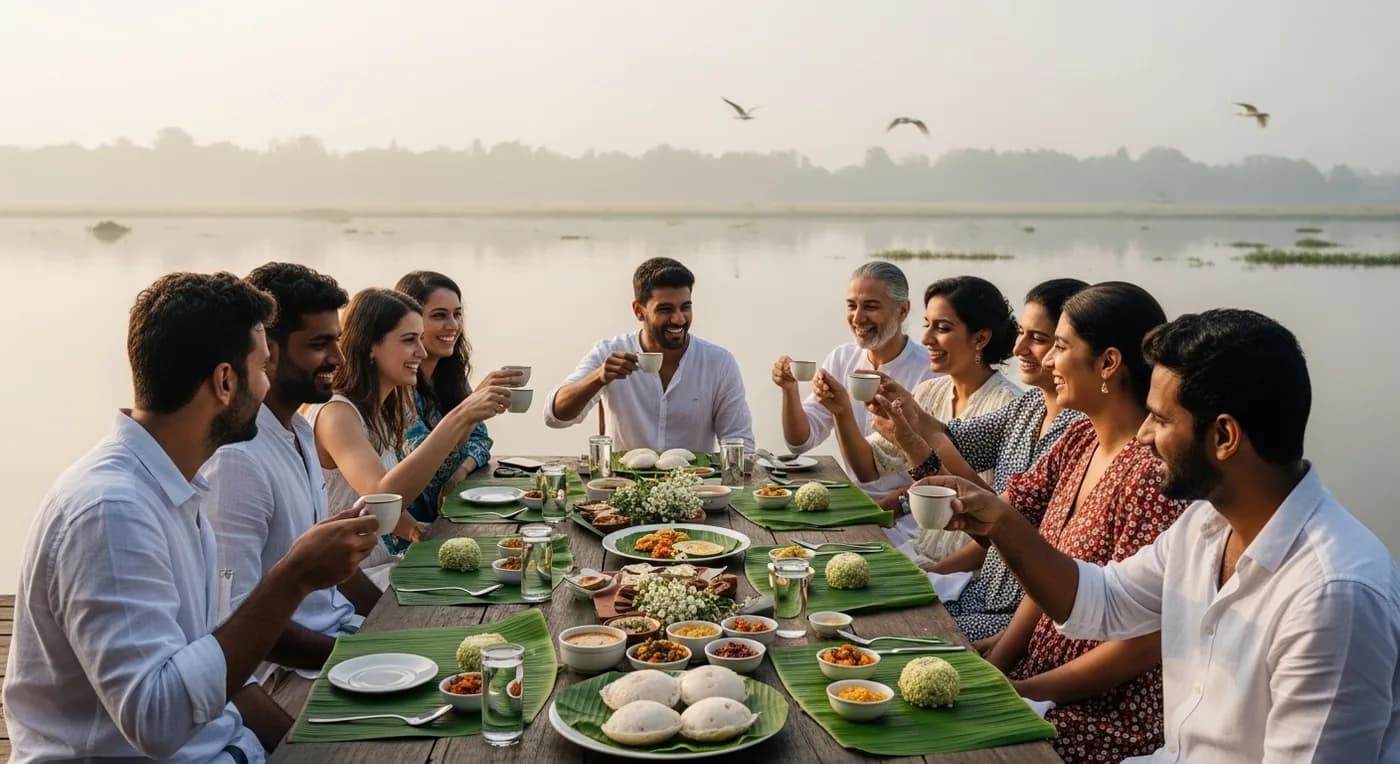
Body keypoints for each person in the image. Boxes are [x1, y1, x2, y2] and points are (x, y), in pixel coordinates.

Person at [928, 308, 1400, 762]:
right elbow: (1100, 600)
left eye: (1161, 419)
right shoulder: (1205, 526)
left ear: (1224, 437)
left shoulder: (1334, 595)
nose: (1143, 436)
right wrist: (1001, 522)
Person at [3, 272, 379, 763]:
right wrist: (292, 578)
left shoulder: (176, 484)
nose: (265, 385)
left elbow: (215, 666)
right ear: (225, 381)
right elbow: (157, 721)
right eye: (260, 368)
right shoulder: (111, 512)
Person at [897, 282, 1184, 762]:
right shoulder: (1079, 444)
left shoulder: (1148, 477)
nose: (1047, 361)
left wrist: (1024, 689)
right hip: (1037, 664)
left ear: (1109, 364)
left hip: (1096, 707)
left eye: (1060, 346)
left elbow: (1141, 644)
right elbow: (1029, 549)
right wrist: (1002, 658)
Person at [867, 278, 1087, 638]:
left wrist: (909, 438)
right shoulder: (1029, 406)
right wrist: (907, 412)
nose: (1019, 348)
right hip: (984, 588)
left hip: (1022, 607)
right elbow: (950, 437)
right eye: (1020, 334)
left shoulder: (1076, 428)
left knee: (895, 629)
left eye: (1041, 339)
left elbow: (998, 517)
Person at [201, 263, 380, 682]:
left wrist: (391, 627)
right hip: (291, 674)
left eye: (336, 342)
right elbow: (234, 620)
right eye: (319, 345)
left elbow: (337, 573)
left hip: (339, 640)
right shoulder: (235, 460)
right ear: (268, 350)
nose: (337, 358)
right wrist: (352, 657)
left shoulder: (299, 428)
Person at [305, 288, 510, 587]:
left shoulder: (385, 410)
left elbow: (374, 507)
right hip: (349, 584)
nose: (422, 352)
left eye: (419, 337)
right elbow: (380, 497)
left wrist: (418, 533)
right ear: (370, 346)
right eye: (409, 340)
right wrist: (460, 416)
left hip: (382, 563)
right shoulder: (336, 414)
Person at [816, 275, 1020, 562]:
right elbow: (866, 468)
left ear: (980, 338)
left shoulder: (1009, 405)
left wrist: (937, 574)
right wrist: (841, 411)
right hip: (922, 550)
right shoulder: (929, 392)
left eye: (943, 328)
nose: (926, 339)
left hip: (971, 568)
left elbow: (1010, 525)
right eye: (927, 325)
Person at [546, 257, 754, 452]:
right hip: (624, 486)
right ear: (638, 311)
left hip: (695, 486)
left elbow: (740, 443)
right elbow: (555, 416)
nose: (679, 319)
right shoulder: (609, 352)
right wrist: (598, 378)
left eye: (685, 307)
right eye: (665, 309)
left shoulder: (718, 362)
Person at [770, 260, 933, 501]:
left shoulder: (928, 369)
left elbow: (937, 467)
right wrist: (789, 390)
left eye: (871, 306)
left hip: (908, 510)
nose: (857, 318)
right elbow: (799, 443)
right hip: (851, 497)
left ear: (903, 311)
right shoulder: (841, 357)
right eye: (851, 306)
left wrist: (842, 411)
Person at [395, 271, 517, 522]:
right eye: (439, 315)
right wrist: (467, 412)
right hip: (411, 526)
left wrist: (460, 473)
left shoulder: (450, 376)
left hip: (446, 516)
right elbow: (431, 473)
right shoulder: (398, 387)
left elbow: (482, 441)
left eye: (457, 314)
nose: (453, 325)